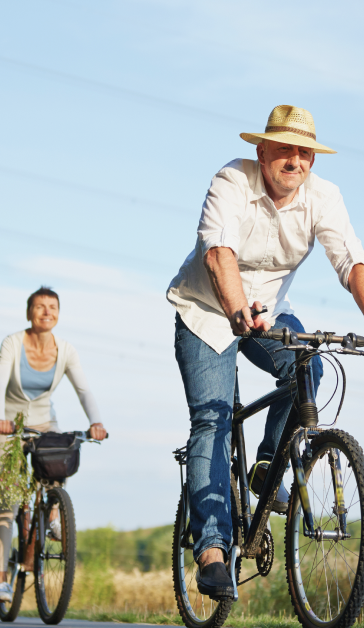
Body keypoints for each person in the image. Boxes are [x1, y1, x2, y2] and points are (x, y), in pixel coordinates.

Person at [167, 104, 364, 599]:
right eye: (283, 149)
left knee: (310, 368)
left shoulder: (324, 197)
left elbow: (352, 263)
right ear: (262, 151)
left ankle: (268, 464)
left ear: (313, 160)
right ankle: (212, 550)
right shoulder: (233, 181)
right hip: (209, 311)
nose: (294, 160)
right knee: (212, 419)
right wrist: (235, 312)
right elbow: (219, 252)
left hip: (270, 314)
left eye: (304, 152)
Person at [0, 286, 107, 602]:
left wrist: (96, 423)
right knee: (7, 503)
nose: (46, 311)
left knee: (57, 468)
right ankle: (3, 579)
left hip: (45, 422)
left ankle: (51, 515)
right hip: (8, 425)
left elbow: (84, 390)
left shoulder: (66, 350)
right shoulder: (12, 343)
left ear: (58, 314)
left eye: (52, 307)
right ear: (29, 313)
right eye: (39, 306)